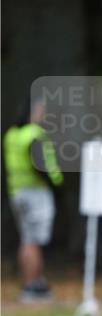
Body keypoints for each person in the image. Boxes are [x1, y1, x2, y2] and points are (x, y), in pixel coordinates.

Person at [3, 96, 63, 302]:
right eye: (41, 110)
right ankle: (33, 284)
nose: (43, 114)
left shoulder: (12, 135)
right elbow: (40, 165)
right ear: (32, 111)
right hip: (35, 192)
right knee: (34, 241)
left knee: (26, 239)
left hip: (16, 192)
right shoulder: (33, 134)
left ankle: (30, 282)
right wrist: (55, 186)